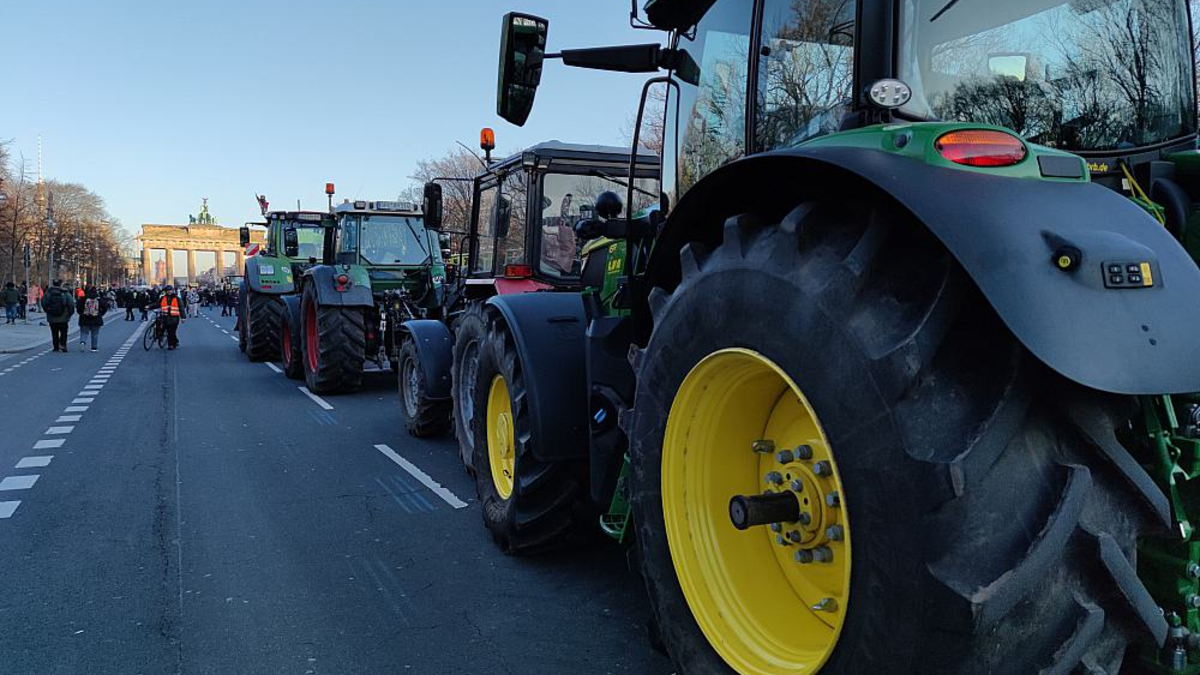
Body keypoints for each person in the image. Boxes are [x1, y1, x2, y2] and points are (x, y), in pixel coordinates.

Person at [43, 280, 74, 352]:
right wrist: (69, 314)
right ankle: (63, 345)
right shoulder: (66, 293)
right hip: (63, 317)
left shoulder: (48, 293)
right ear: (60, 284)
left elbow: (43, 303)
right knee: (64, 332)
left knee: (54, 332)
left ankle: (55, 346)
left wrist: (48, 311)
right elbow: (71, 304)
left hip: (51, 317)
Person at [76, 286, 109, 352]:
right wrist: (100, 314)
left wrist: (81, 314)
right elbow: (105, 308)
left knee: (84, 332)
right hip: (96, 318)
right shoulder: (98, 299)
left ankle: (83, 342)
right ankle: (94, 347)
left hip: (85, 318)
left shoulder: (83, 299)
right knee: (95, 334)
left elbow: (78, 307)